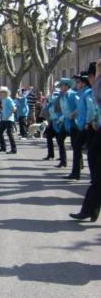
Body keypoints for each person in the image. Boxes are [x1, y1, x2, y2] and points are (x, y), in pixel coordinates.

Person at [70, 61, 101, 222]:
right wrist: (95, 119)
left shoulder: (94, 87)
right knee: (95, 171)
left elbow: (96, 94)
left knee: (97, 176)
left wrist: (97, 72)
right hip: (97, 129)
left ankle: (89, 209)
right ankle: (92, 208)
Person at [65, 74, 94, 181]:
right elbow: (80, 107)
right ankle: (76, 173)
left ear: (83, 83)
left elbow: (90, 108)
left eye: (78, 82)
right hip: (81, 124)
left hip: (87, 125)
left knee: (90, 151)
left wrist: (87, 122)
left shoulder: (87, 92)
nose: (76, 84)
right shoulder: (81, 93)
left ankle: (92, 177)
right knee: (78, 147)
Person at [54, 78, 77, 168]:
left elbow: (77, 107)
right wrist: (60, 118)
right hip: (65, 121)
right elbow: (63, 110)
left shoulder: (73, 95)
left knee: (75, 143)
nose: (60, 87)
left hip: (73, 121)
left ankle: (79, 163)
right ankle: (63, 161)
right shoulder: (62, 96)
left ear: (67, 86)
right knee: (60, 139)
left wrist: (66, 116)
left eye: (62, 85)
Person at [0, 86, 17, 154]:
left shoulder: (8, 99)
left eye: (1, 92)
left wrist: (8, 116)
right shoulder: (3, 100)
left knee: (9, 133)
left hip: (9, 119)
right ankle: (3, 147)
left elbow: (14, 108)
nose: (0, 93)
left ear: (5, 93)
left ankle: (14, 149)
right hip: (4, 119)